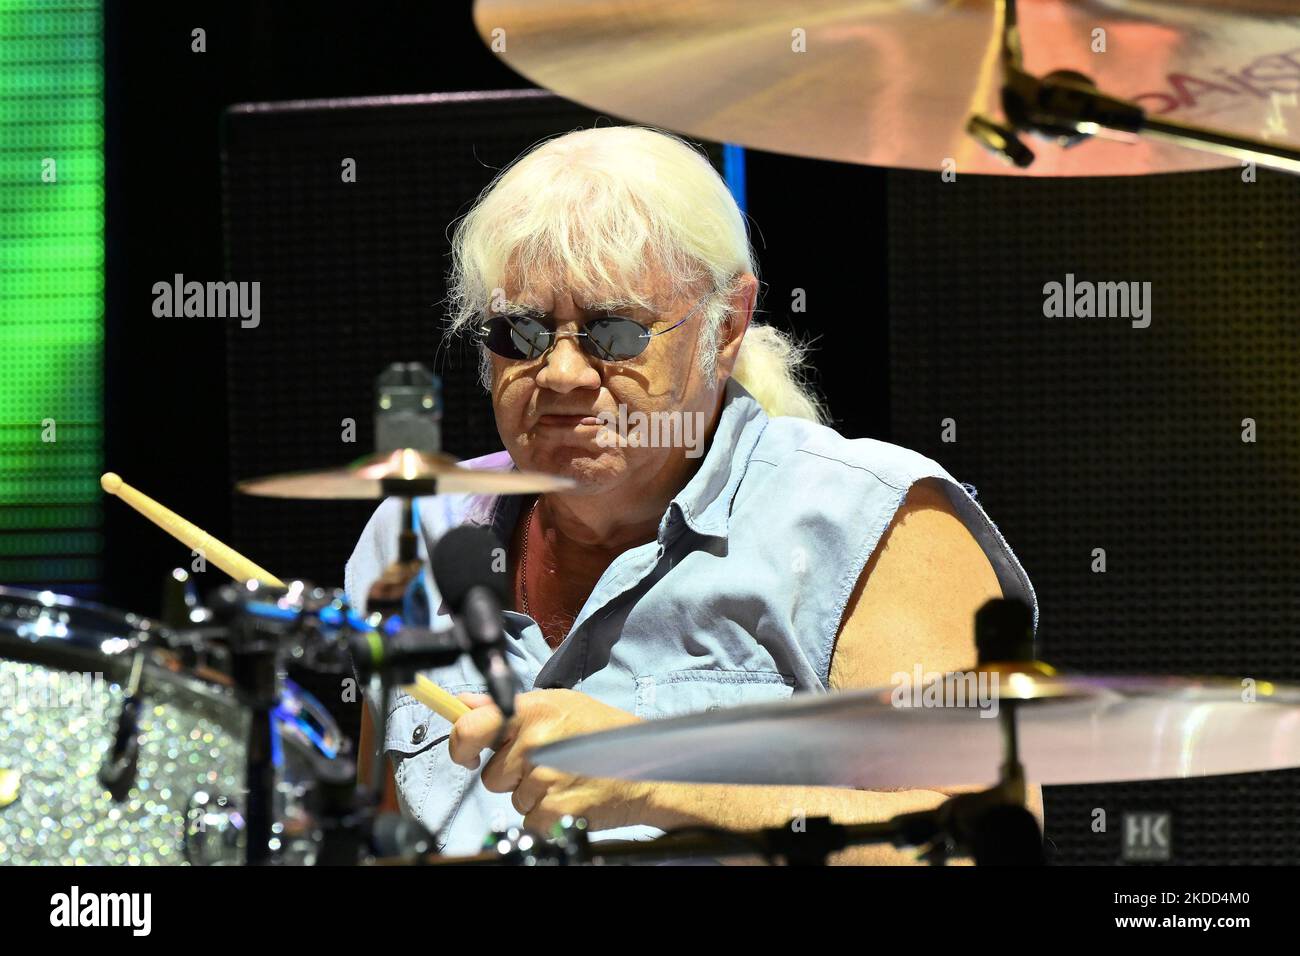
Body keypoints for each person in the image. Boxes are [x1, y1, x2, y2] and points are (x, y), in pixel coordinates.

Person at [346, 125, 1039, 863]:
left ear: (728, 323)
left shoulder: (875, 524)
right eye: (520, 332)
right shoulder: (412, 533)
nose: (562, 375)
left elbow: (983, 846)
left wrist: (658, 778)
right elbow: (378, 834)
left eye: (615, 332)